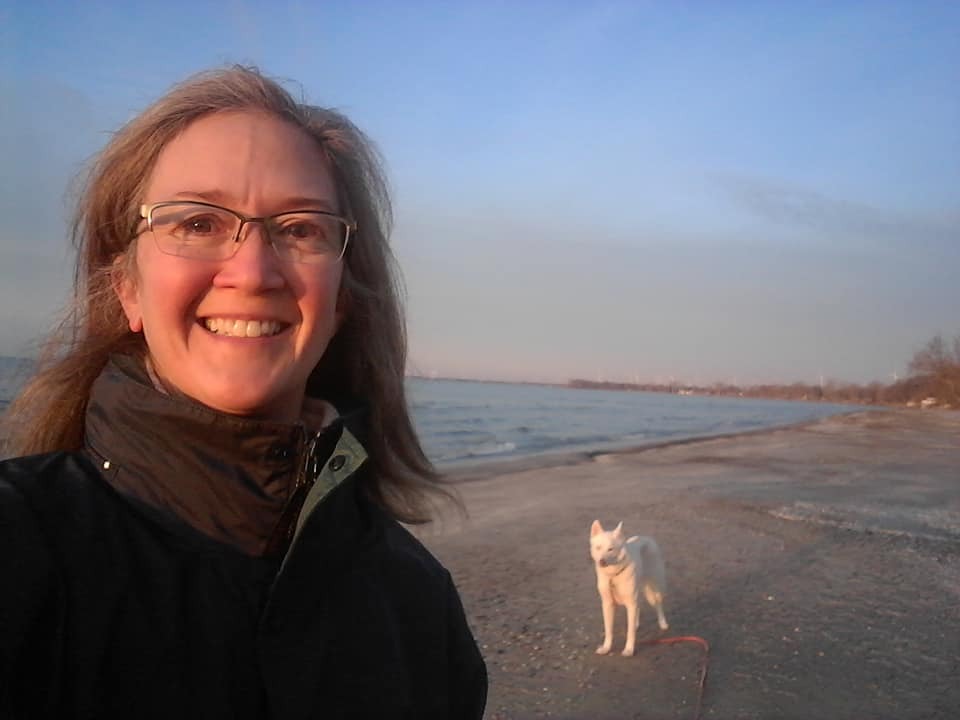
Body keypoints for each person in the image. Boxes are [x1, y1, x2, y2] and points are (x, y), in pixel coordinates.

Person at [0, 66, 487, 719]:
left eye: (301, 229)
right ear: (127, 289)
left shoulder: (416, 600)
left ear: (342, 299)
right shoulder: (22, 549)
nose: (254, 272)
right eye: (197, 223)